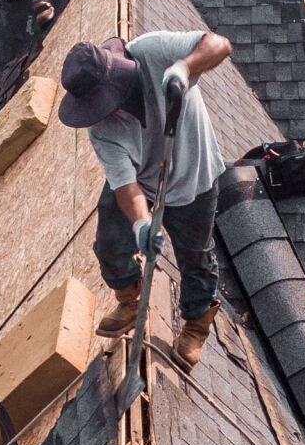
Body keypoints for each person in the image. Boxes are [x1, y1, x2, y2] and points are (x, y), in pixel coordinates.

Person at [56, 27, 232, 366]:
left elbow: (220, 45)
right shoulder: (101, 129)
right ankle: (131, 299)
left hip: (194, 176)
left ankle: (196, 323)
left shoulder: (155, 51)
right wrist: (141, 225)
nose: (101, 113)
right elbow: (124, 186)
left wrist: (185, 67)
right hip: (142, 181)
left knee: (196, 255)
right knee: (110, 243)